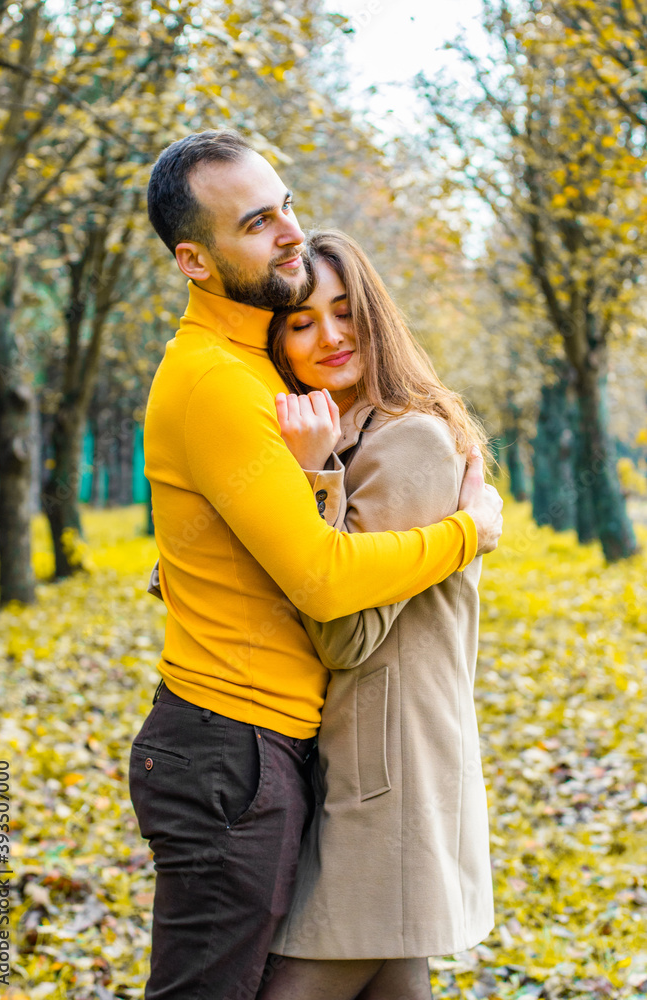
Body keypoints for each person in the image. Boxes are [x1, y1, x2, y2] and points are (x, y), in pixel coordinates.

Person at [129, 128, 502, 1000]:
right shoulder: (228, 381)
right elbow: (324, 581)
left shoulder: (340, 419)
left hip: (313, 750)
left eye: (285, 205)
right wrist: (466, 532)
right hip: (240, 743)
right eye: (258, 222)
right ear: (194, 259)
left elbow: (301, 569)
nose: (288, 232)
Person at [257, 230, 494, 1000]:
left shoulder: (407, 441)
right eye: (299, 321)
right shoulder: (356, 434)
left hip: (384, 779)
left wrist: (311, 478)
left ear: (373, 314)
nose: (327, 336)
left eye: (343, 310)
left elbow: (346, 629)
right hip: (360, 765)